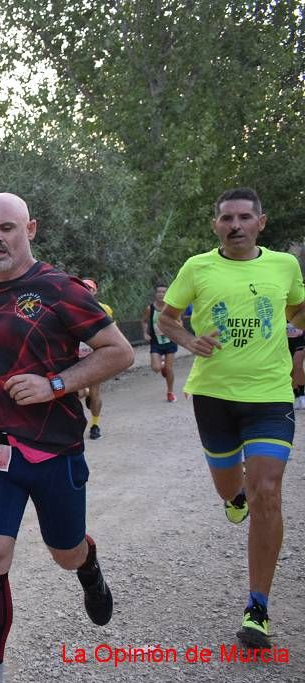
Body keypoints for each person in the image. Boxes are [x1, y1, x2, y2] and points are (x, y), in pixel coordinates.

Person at [0, 193, 134, 683]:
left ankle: (89, 571)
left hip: (55, 448)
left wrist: (55, 385)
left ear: (29, 229)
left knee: (65, 551)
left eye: (6, 228)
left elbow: (118, 352)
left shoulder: (61, 288)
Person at [157, 187, 305, 649]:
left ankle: (257, 607)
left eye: (244, 217)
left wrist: (293, 328)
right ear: (215, 224)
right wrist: (189, 340)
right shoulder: (198, 267)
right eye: (226, 218)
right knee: (231, 487)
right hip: (214, 396)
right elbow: (168, 318)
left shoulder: (285, 265)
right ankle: (232, 493)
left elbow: (298, 305)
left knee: (268, 489)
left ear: (261, 222)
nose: (235, 225)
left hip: (270, 396)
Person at [78, 279, 114, 439]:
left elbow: (111, 331)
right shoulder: (68, 306)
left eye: (89, 288)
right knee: (76, 392)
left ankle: (95, 425)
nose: (86, 290)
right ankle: (85, 393)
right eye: (82, 287)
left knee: (95, 391)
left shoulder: (104, 308)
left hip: (95, 355)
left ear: (95, 291)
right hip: (75, 356)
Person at [142, 284, 178, 402]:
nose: (161, 294)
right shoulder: (150, 308)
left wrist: (178, 330)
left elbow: (179, 321)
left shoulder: (171, 308)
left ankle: (170, 392)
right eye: (159, 292)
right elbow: (144, 321)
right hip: (156, 342)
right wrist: (145, 333)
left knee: (169, 368)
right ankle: (162, 366)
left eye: (164, 292)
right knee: (156, 368)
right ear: (155, 294)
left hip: (170, 341)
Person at [286, 322, 305, 409]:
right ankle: (296, 394)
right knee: (290, 368)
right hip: (284, 339)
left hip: (300, 338)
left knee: (298, 364)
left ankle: (302, 394)